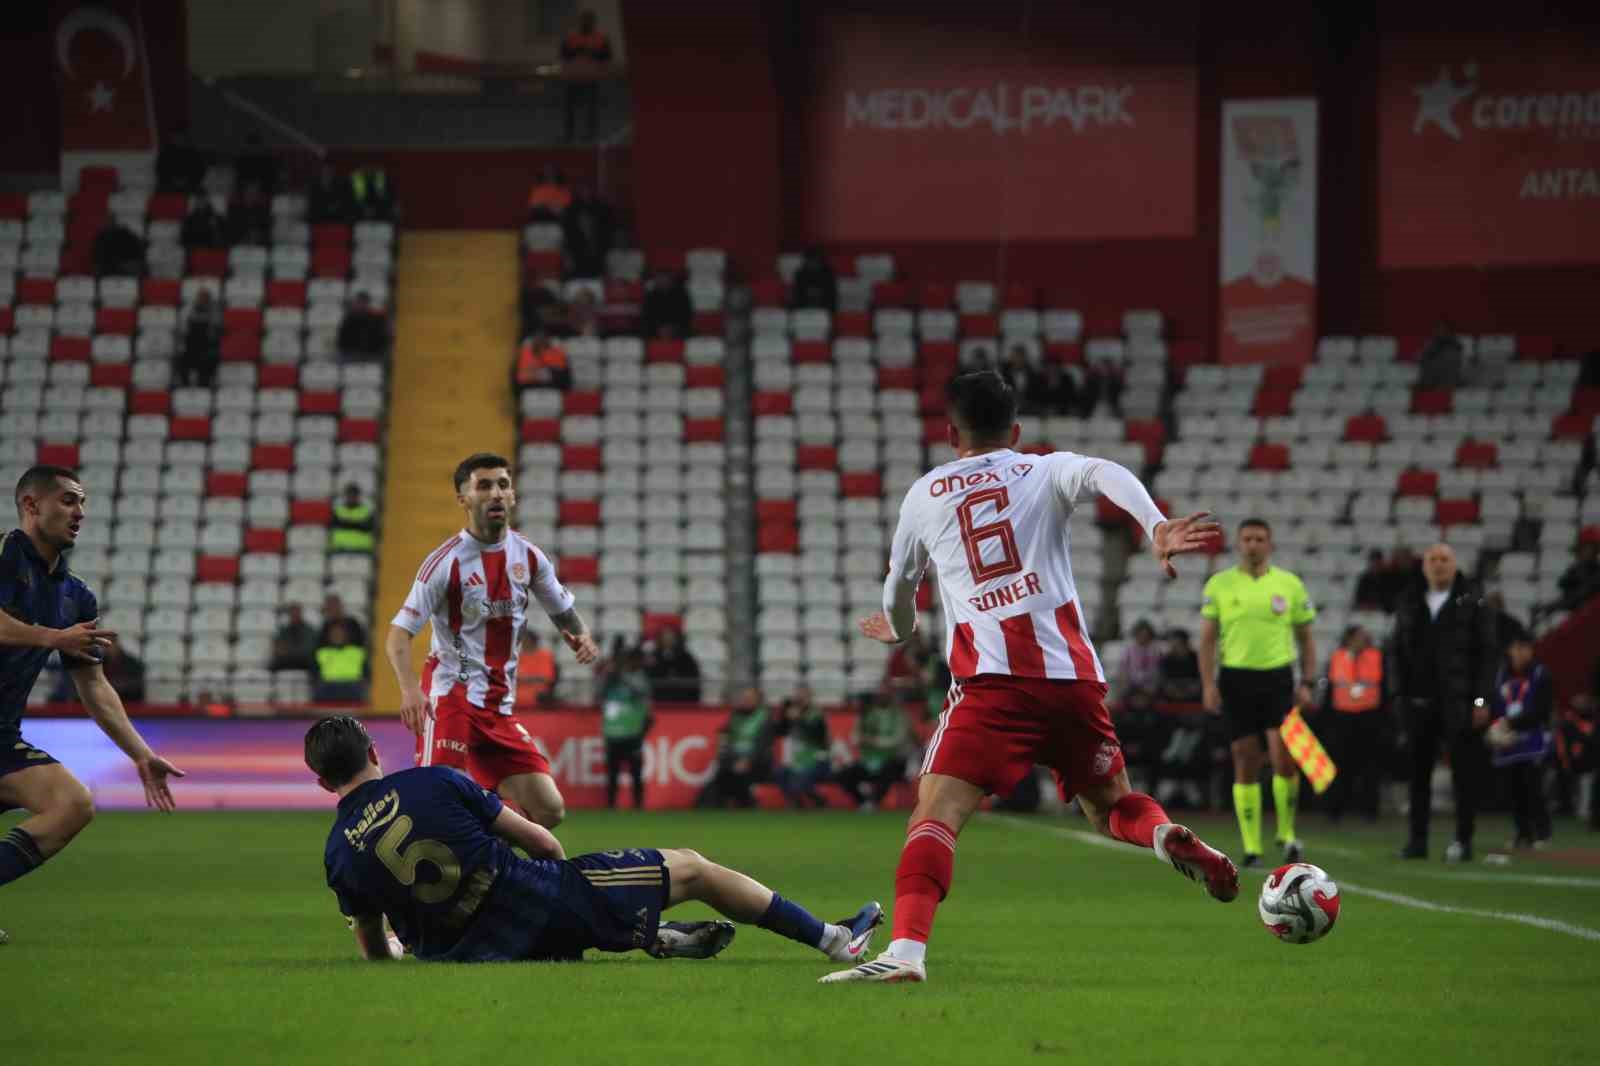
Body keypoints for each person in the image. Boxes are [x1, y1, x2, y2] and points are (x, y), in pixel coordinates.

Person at [823, 371, 1235, 984]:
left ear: (949, 432)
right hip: (1073, 682)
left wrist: (900, 628)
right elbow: (1104, 473)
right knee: (1113, 805)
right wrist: (1155, 526)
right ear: (1014, 431)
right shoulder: (1043, 469)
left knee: (935, 814)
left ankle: (905, 953)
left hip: (992, 686)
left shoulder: (925, 493)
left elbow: (899, 589)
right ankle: (1163, 831)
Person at [306, 715, 884, 964]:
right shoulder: (434, 781)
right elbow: (544, 844)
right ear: (376, 753)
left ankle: (649, 934)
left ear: (322, 781)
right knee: (691, 868)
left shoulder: (337, 853)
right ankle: (835, 940)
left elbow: (373, 948)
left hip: (463, 952)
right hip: (537, 907)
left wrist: (404, 947)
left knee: (578, 914)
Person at [0, 466, 184, 945]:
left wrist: (141, 754)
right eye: (66, 500)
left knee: (72, 805)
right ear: (31, 506)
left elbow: (94, 683)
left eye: (81, 502)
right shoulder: (3, 554)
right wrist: (51, 636)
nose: (79, 512)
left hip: (2, 738)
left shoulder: (76, 596)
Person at [384, 453, 600, 829]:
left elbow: (561, 607)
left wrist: (581, 635)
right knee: (437, 798)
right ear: (463, 499)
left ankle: (488, 849)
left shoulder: (528, 556)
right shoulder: (445, 563)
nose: (496, 493)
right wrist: (409, 691)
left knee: (549, 810)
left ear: (513, 495)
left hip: (498, 706)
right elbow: (398, 634)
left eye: (503, 484)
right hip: (452, 696)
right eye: (484, 485)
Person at [1197, 518, 1318, 867]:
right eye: (1247, 538)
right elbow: (1206, 641)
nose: (1253, 544)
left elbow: (1306, 639)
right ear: (1238, 544)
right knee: (1244, 758)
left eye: (1259, 538)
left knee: (1284, 757)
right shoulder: (1220, 584)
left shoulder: (1289, 584)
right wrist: (1208, 683)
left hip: (1278, 678)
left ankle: (1287, 833)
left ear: (1270, 544)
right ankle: (1252, 847)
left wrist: (1307, 681)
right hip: (1236, 679)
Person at [1388, 542, 1498, 862]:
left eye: (1444, 559)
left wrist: (1481, 700)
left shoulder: (1474, 601)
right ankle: (1417, 842)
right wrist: (1398, 695)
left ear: (1455, 565)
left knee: (1464, 774)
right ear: (1424, 566)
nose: (1438, 565)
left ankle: (1463, 841)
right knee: (1418, 775)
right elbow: (1395, 651)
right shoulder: (1408, 601)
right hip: (1417, 702)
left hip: (1459, 702)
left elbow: (1488, 655)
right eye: (1433, 560)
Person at [1488, 629, 1553, 849]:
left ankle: (1542, 833)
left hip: (1531, 740)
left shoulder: (1541, 674)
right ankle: (1522, 833)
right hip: (1508, 742)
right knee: (1513, 791)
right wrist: (1494, 725)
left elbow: (1542, 711)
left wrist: (1512, 723)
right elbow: (1490, 702)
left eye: (1524, 648)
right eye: (1516, 648)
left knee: (1532, 788)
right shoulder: (1501, 675)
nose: (1519, 653)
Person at [1323, 625, 1384, 823]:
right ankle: (1335, 811)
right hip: (1342, 718)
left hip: (1369, 716)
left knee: (1370, 767)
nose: (1362, 640)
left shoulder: (1375, 657)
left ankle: (1370, 812)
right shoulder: (1337, 657)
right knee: (1341, 766)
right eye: (1358, 637)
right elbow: (1330, 690)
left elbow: (1383, 686)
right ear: (1348, 639)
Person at [696, 688, 774, 809]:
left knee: (739, 772)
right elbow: (724, 733)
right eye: (744, 698)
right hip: (734, 758)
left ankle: (747, 801)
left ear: (758, 701)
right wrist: (722, 749)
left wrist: (748, 760)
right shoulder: (736, 715)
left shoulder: (764, 718)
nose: (745, 701)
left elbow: (762, 745)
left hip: (757, 760)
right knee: (723, 773)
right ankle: (717, 802)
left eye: (749, 699)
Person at [834, 689, 911, 812]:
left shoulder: (899, 715)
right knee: (845, 774)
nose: (882, 697)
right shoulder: (866, 715)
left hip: (891, 758)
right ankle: (863, 801)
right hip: (868, 760)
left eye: (885, 694)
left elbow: (897, 740)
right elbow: (855, 739)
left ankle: (875, 801)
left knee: (889, 771)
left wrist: (873, 740)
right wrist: (860, 738)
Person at [598, 645, 653, 809]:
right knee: (612, 773)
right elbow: (599, 693)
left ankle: (638, 804)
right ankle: (611, 805)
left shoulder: (640, 678)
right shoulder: (611, 680)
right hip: (613, 731)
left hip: (632, 731)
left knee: (636, 772)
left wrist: (622, 677)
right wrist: (609, 675)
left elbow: (642, 693)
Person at [776, 686, 832, 809]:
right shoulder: (792, 712)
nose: (800, 698)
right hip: (797, 759)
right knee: (780, 773)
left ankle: (817, 799)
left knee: (801, 778)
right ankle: (797, 802)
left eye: (803, 695)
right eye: (798, 695)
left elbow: (817, 735)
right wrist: (783, 715)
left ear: (810, 697)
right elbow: (779, 731)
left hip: (817, 759)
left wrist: (799, 719)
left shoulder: (817, 714)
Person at [559, 11, 611, 143]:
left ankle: (590, 134)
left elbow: (607, 57)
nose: (586, 23)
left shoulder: (601, 38)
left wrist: (594, 54)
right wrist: (578, 50)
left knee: (591, 108)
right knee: (569, 108)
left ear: (593, 22)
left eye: (589, 20)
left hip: (591, 78)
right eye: (584, 20)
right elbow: (563, 55)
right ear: (580, 22)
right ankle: (569, 134)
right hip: (572, 78)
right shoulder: (571, 37)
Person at [177, 288, 223, 388]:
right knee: (181, 361)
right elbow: (183, 329)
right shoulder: (189, 310)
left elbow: (215, 330)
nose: (202, 300)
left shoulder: (214, 312)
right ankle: (185, 385)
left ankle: (203, 386)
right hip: (191, 345)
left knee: (207, 362)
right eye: (200, 298)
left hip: (206, 346)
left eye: (205, 298)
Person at [643, 625, 702, 703]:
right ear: (660, 639)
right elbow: (648, 675)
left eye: (671, 637)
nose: (668, 640)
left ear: (676, 639)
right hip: (660, 698)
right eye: (665, 637)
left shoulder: (686, 657)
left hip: (681, 700)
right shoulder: (653, 656)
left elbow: (693, 677)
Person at [314, 620, 368, 702]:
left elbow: (367, 673)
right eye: (334, 633)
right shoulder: (322, 652)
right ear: (329, 636)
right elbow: (314, 673)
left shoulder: (358, 651)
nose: (337, 635)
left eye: (340, 633)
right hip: (328, 686)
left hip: (352, 685)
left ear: (346, 635)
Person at [1117, 620, 1163, 707]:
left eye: (1146, 636)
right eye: (1141, 635)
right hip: (1132, 685)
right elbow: (1123, 671)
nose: (1143, 638)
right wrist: (1124, 685)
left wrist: (1152, 686)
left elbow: (1158, 671)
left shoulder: (1156, 651)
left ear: (1150, 636)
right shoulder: (1128, 651)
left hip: (1150, 685)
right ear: (1136, 636)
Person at [337, 292, 391, 363]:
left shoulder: (377, 319)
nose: (361, 304)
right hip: (352, 354)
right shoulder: (349, 318)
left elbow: (383, 338)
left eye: (364, 302)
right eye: (359, 302)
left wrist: (379, 350)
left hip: (373, 354)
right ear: (356, 303)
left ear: (368, 303)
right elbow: (342, 339)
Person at [639, 270, 692, 340]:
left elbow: (686, 314)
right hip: (655, 329)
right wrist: (658, 328)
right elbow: (646, 315)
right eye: (660, 278)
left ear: (671, 279)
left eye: (666, 278)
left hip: (677, 329)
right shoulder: (650, 295)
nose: (663, 281)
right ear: (656, 279)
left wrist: (673, 328)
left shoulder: (682, 294)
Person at [514, 329, 571, 393]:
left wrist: (547, 372)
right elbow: (521, 377)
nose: (540, 341)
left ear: (548, 340)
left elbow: (563, 374)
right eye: (538, 338)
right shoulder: (525, 353)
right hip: (530, 388)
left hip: (552, 388)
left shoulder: (557, 353)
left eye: (543, 338)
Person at [155, 126, 206, 194]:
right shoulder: (165, 153)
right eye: (176, 137)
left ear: (185, 138)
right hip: (169, 185)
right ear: (172, 138)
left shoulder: (193, 153)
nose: (178, 139)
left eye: (181, 137)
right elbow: (160, 170)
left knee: (200, 194)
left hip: (190, 184)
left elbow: (200, 170)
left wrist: (187, 180)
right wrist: (173, 180)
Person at [1416, 319, 1464, 391]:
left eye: (1442, 330)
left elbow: (1450, 373)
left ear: (1449, 332)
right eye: (1437, 329)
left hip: (1446, 385)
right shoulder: (1430, 346)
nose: (1439, 332)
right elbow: (1422, 363)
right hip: (1429, 384)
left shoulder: (1453, 349)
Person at [271, 604, 319, 673]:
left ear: (300, 613)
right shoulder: (284, 631)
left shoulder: (309, 630)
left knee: (315, 664)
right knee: (274, 664)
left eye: (297, 612)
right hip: (288, 659)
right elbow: (279, 648)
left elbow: (309, 648)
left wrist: (289, 650)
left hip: (304, 659)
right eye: (292, 613)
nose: (295, 615)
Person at [515, 630, 558, 708]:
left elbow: (547, 678)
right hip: (517, 692)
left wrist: (524, 679)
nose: (524, 643)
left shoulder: (545, 655)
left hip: (538, 692)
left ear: (533, 641)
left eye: (526, 640)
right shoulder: (517, 657)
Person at [330, 483, 376, 555]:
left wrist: (345, 523)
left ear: (358, 496)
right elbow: (334, 525)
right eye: (349, 494)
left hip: (361, 549)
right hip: (340, 548)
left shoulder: (366, 511)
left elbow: (367, 527)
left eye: (354, 495)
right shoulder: (338, 510)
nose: (351, 497)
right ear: (345, 496)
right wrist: (358, 524)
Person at [1159, 628, 1202, 703]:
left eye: (1178, 643)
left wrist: (1192, 687)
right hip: (1173, 687)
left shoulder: (1196, 657)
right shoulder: (1167, 659)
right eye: (1172, 642)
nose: (1174, 645)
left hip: (1191, 687)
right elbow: (1164, 678)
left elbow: (1200, 677)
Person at [1556, 541, 1600, 612]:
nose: (1584, 553)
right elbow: (1562, 584)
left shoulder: (1596, 570)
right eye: (1581, 550)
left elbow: (1589, 590)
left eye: (1588, 550)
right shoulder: (1574, 569)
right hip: (1576, 611)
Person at [791, 247, 837, 312]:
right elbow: (796, 296)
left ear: (820, 261)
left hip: (824, 308)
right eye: (810, 261)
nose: (813, 263)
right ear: (806, 261)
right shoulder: (800, 274)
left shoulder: (828, 274)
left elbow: (832, 297)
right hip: (803, 307)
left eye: (815, 260)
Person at [225, 181, 271, 245]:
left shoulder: (262, 210)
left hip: (259, 246)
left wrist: (257, 237)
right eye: (250, 190)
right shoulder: (235, 209)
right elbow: (231, 230)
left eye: (255, 191)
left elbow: (266, 229)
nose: (252, 193)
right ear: (244, 191)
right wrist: (245, 239)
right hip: (238, 244)